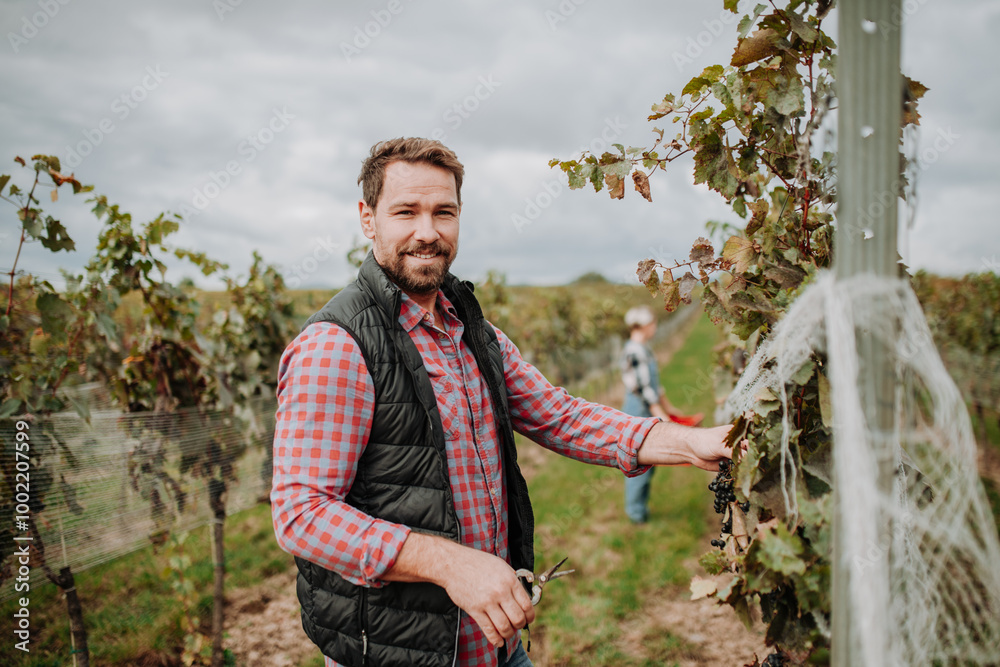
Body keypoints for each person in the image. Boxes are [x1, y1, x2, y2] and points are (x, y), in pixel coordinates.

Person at [270, 137, 732, 667]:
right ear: (368, 219)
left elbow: (561, 416)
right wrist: (449, 564)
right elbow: (302, 513)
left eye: (444, 212)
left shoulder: (471, 330)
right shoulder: (338, 345)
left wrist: (688, 442)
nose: (428, 231)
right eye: (406, 212)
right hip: (402, 654)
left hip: (494, 647)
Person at [619, 306, 704, 524]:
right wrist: (661, 416)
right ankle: (636, 514)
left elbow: (654, 386)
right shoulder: (634, 351)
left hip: (648, 407)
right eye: (653, 324)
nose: (655, 328)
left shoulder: (643, 348)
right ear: (643, 326)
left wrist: (669, 408)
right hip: (639, 411)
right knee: (638, 462)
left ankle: (640, 509)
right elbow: (643, 390)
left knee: (650, 461)